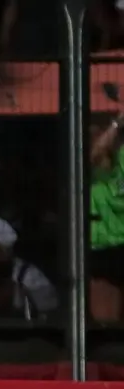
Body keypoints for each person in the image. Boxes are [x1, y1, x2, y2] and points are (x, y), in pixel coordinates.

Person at [89, 110, 124, 323]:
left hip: (122, 244)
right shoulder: (96, 169)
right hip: (102, 250)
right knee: (106, 324)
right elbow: (96, 153)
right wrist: (117, 123)